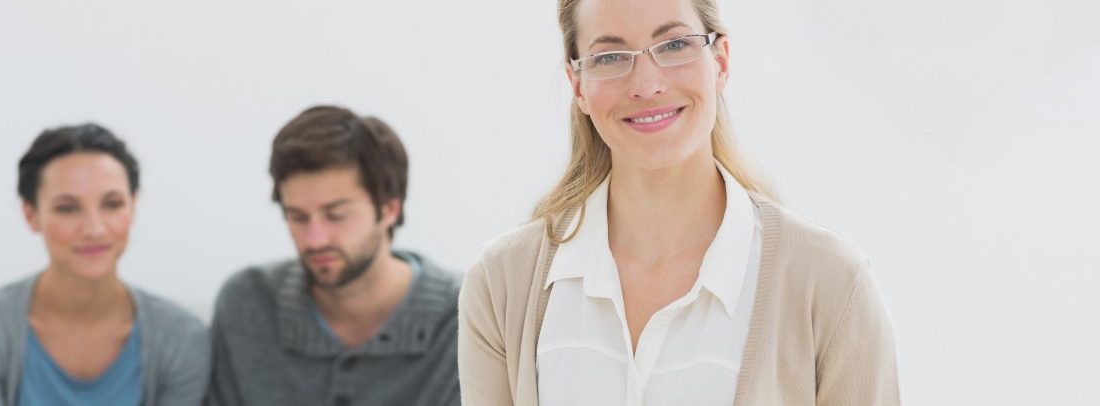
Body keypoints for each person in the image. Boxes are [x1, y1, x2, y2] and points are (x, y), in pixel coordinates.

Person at [457, 0, 900, 404]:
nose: (647, 84)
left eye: (674, 45)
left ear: (721, 62)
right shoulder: (502, 285)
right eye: (610, 56)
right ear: (578, 85)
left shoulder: (831, 285)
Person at [207, 106, 461, 406]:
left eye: (336, 215)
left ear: (389, 209)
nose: (315, 240)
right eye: (298, 217)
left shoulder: (463, 315)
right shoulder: (247, 303)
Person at [0, 124, 209, 405]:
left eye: (112, 204)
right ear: (31, 214)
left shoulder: (181, 337)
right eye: (67, 208)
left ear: (132, 206)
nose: (94, 229)